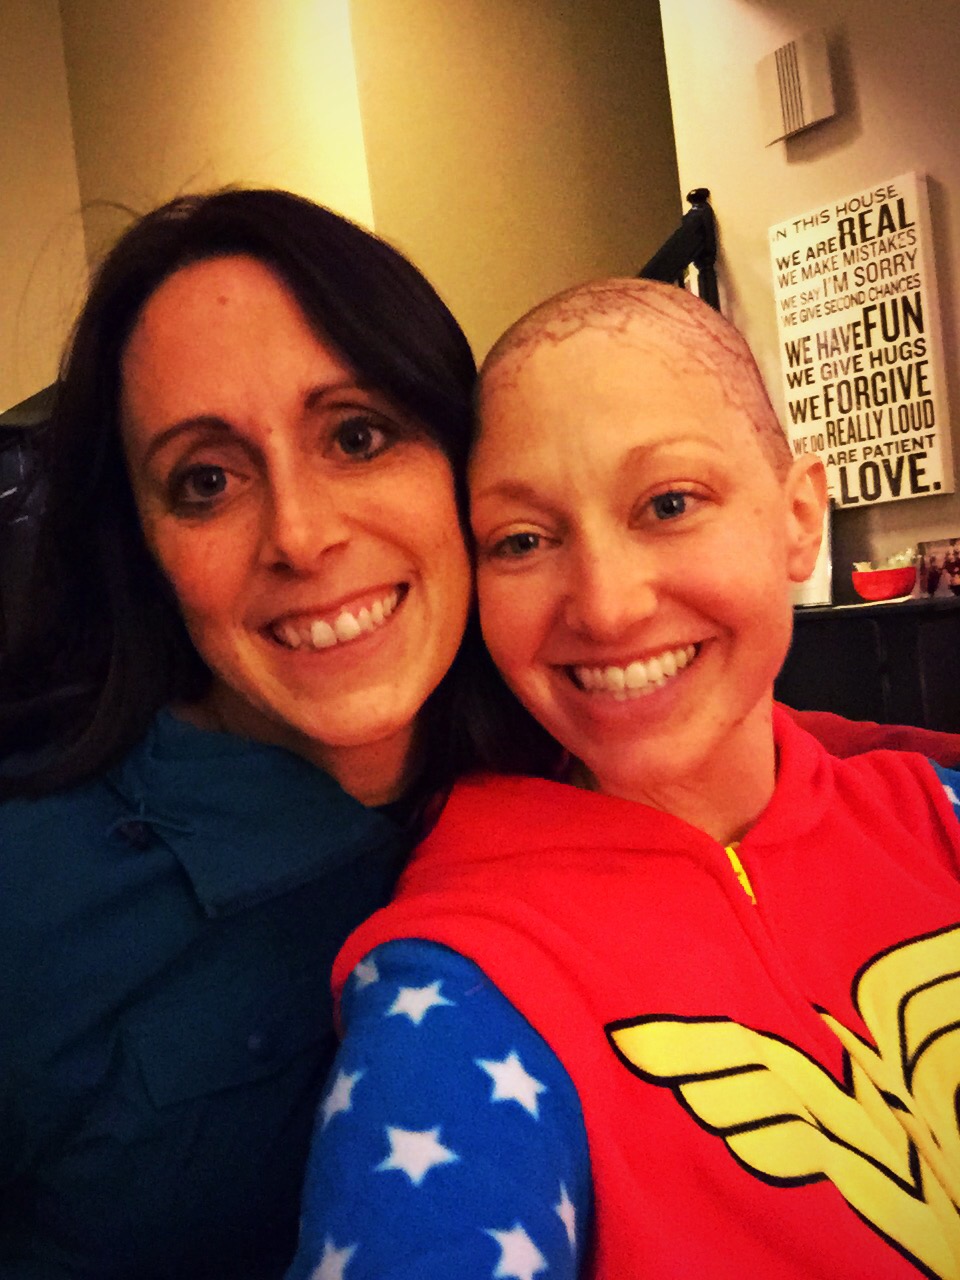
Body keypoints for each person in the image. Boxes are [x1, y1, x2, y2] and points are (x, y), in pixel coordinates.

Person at [287, 280, 960, 1280]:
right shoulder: (460, 979)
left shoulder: (934, 812)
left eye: (669, 504)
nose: (605, 606)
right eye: (523, 541)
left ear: (799, 516)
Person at [0, 187, 541, 1279]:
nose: (299, 533)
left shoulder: (572, 759)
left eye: (357, 435)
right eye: (207, 480)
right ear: (141, 544)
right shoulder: (29, 885)